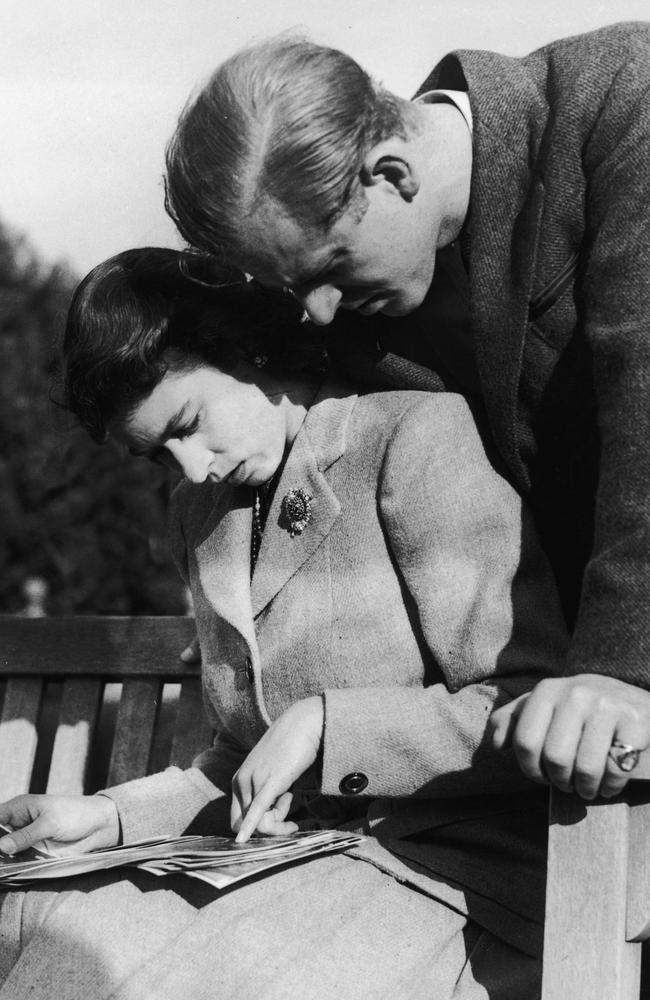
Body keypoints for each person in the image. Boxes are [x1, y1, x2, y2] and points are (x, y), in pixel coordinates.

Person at [0, 247, 567, 999]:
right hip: (301, 865)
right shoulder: (201, 516)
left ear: (244, 351)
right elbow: (241, 756)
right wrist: (106, 817)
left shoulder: (411, 438)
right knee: (46, 919)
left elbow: (527, 701)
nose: (192, 467)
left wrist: (328, 727)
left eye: (190, 423)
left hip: (460, 881)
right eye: (159, 458)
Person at [163, 23, 650, 799]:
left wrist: (626, 669)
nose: (320, 316)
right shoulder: (354, 310)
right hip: (549, 735)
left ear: (392, 172)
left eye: (330, 268)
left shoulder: (625, 99)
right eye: (293, 288)